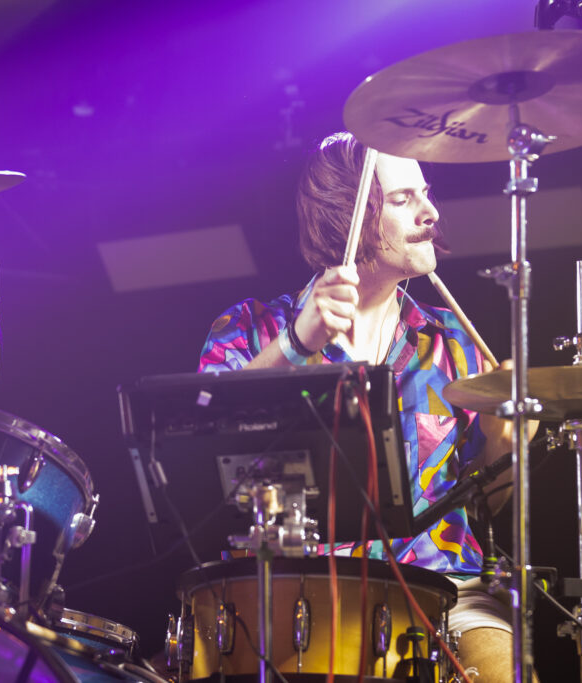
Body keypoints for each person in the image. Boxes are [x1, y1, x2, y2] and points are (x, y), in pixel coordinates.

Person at [198, 131, 533, 683]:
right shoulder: (249, 330)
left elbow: (489, 503)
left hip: (447, 594)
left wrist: (506, 439)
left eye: (425, 194)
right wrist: (295, 346)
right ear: (344, 217)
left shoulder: (453, 344)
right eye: (403, 199)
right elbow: (206, 433)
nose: (430, 212)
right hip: (292, 591)